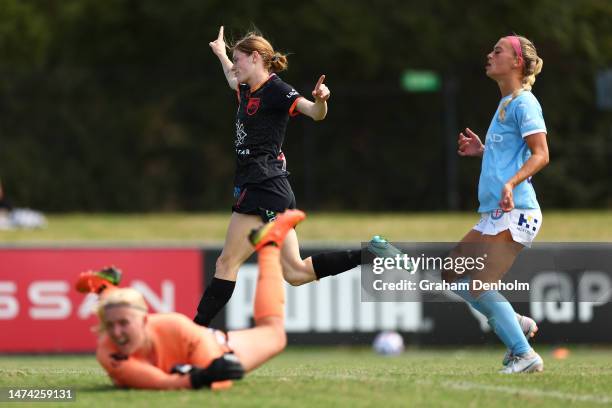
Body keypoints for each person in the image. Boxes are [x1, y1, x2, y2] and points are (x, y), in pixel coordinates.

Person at [194, 26, 399, 326]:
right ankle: (371, 252)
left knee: (227, 264)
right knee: (296, 273)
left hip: (265, 187)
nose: (235, 67)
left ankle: (193, 334)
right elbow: (230, 77)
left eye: (239, 59)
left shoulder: (277, 89)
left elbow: (315, 113)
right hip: (261, 186)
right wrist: (222, 54)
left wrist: (322, 100)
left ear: (254, 58)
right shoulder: (246, 87)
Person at [76, 209, 305, 390]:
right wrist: (199, 378)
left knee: (274, 335)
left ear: (145, 320)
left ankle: (268, 246)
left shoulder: (175, 328)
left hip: (213, 347)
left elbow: (218, 381)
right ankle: (103, 287)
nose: (116, 333)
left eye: (123, 324)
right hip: (192, 355)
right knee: (118, 310)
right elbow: (160, 382)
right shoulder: (109, 352)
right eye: (110, 326)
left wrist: (206, 375)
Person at [445, 35, 549, 373]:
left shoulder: (524, 103)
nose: (489, 55)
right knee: (451, 273)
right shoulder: (505, 103)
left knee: (478, 285)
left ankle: (524, 354)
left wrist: (511, 182)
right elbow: (511, 155)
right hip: (495, 213)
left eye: (498, 51)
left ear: (517, 62)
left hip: (517, 212)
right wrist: (484, 152)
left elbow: (541, 154)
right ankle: (514, 321)